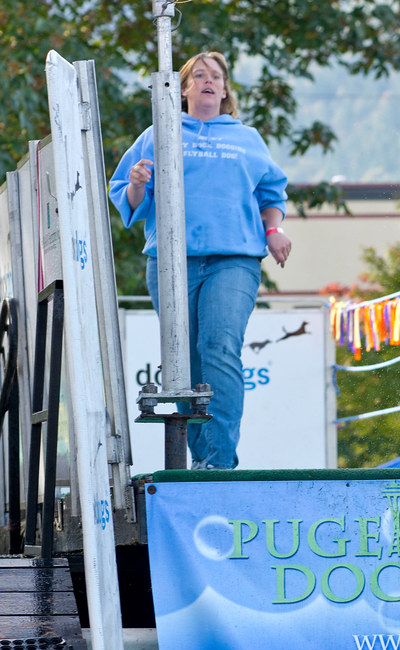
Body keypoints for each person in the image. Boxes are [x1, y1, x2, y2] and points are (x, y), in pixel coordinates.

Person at [109, 51, 291, 469]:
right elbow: (130, 198)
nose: (209, 81)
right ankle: (201, 459)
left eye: (217, 77)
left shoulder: (247, 138)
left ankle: (220, 461)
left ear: (225, 91)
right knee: (184, 362)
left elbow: (271, 195)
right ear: (184, 88)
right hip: (170, 261)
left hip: (234, 259)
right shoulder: (159, 133)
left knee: (218, 347)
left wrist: (274, 231)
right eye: (200, 75)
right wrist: (136, 183)